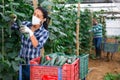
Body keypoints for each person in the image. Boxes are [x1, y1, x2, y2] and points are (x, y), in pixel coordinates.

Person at [11, 6, 50, 80]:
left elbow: (37, 45)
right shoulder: (26, 24)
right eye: (34, 14)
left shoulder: (44, 32)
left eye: (38, 16)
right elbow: (12, 26)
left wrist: (30, 32)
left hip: (33, 65)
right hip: (22, 62)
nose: (35, 17)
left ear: (43, 19)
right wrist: (13, 19)